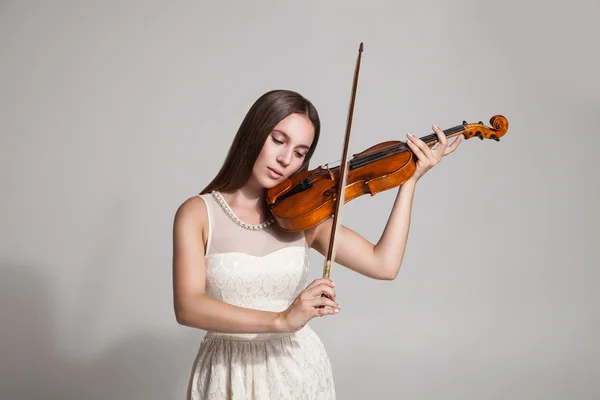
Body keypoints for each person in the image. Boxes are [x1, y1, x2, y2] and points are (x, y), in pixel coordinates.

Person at [172, 89, 463, 399]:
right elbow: (187, 306)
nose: (285, 159)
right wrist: (282, 320)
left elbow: (384, 265)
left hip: (297, 371)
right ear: (254, 134)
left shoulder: (303, 217)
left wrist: (409, 181)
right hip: (227, 374)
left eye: (299, 152)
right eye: (278, 140)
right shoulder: (197, 213)